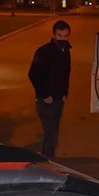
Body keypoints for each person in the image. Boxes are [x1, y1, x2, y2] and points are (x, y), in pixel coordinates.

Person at [28, 20, 72, 159]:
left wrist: (65, 93)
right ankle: (48, 161)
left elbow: (66, 74)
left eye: (65, 36)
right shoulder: (44, 52)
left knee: (53, 132)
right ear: (54, 35)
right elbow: (33, 74)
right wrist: (44, 94)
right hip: (45, 101)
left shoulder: (65, 51)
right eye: (60, 36)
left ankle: (47, 159)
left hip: (59, 99)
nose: (63, 39)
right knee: (51, 133)